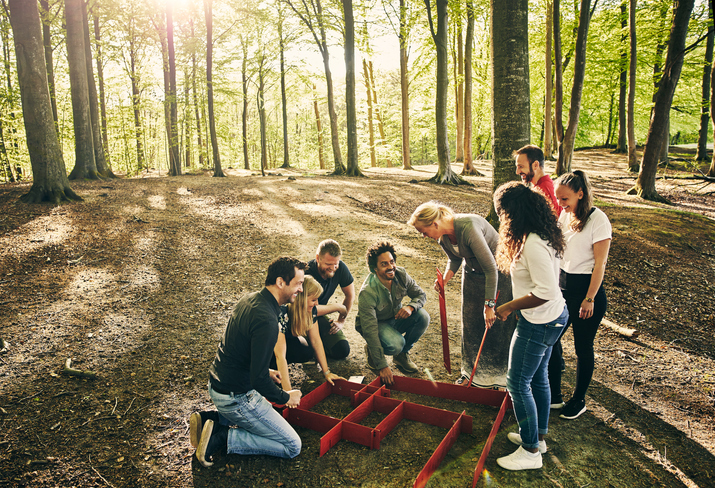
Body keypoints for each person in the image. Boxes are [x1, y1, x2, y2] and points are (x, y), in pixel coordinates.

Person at [193, 257, 306, 467]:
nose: (301, 289)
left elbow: (239, 349)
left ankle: (211, 419)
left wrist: (267, 369)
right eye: (298, 283)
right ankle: (222, 436)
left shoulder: (251, 299)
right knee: (292, 445)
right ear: (281, 282)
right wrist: (285, 397)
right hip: (236, 398)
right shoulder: (267, 321)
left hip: (218, 385)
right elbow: (258, 380)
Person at [492, 182, 568, 471]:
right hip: (552, 317)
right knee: (538, 379)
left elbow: (546, 290)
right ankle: (539, 436)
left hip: (541, 321)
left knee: (517, 382)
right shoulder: (538, 235)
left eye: (502, 213)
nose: (501, 219)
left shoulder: (534, 243)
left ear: (513, 213)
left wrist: (509, 306)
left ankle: (530, 451)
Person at [408, 202, 515, 388]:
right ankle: (471, 373)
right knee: (471, 324)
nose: (424, 236)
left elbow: (492, 269)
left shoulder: (468, 227)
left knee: (495, 326)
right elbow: (455, 258)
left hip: (498, 277)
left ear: (434, 224)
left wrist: (489, 305)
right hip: (472, 276)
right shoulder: (443, 237)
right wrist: (446, 279)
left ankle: (499, 378)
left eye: (423, 232)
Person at [548, 170, 612, 420]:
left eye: (565, 199)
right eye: (558, 199)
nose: (560, 204)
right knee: (551, 339)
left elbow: (600, 264)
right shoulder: (565, 214)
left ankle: (579, 399)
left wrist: (590, 298)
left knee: (582, 347)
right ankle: (553, 394)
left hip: (586, 292)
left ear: (580, 194)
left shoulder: (599, 220)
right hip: (563, 288)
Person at [355, 241, 430, 386]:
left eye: (392, 262)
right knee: (396, 343)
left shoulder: (401, 274)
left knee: (423, 317)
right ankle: (373, 351)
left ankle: (401, 356)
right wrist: (382, 365)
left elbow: (421, 295)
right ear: (374, 268)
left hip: (394, 318)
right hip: (376, 324)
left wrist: (411, 307)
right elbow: (369, 329)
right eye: (384, 264)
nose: (390, 267)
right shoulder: (367, 292)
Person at [273, 275, 345, 391]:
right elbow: (279, 355)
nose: (317, 303)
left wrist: (326, 372)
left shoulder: (310, 311)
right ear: (301, 298)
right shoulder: (281, 312)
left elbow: (316, 341)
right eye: (313, 300)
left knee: (306, 351)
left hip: (287, 341)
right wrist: (288, 392)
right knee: (275, 357)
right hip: (269, 347)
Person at [305, 239, 355, 359]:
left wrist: (341, 321)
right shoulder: (307, 272)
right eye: (328, 264)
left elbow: (350, 294)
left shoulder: (341, 268)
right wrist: (337, 307)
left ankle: (318, 346)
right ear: (318, 258)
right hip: (301, 316)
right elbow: (308, 309)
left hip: (318, 316)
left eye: (336, 263)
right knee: (304, 353)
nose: (333, 267)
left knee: (342, 350)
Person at [514, 144, 561, 216]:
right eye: (517, 167)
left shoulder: (544, 191)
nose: (517, 172)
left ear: (535, 165)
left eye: (521, 166)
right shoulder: (543, 186)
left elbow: (555, 222)